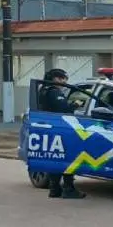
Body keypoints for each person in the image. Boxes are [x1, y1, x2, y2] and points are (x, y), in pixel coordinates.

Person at [38, 68, 85, 200]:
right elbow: (62, 109)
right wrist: (75, 105)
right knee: (68, 158)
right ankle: (68, 188)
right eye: (61, 78)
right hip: (59, 128)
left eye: (64, 79)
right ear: (55, 79)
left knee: (56, 158)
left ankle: (55, 188)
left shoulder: (43, 90)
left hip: (50, 128)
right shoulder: (53, 92)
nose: (63, 81)